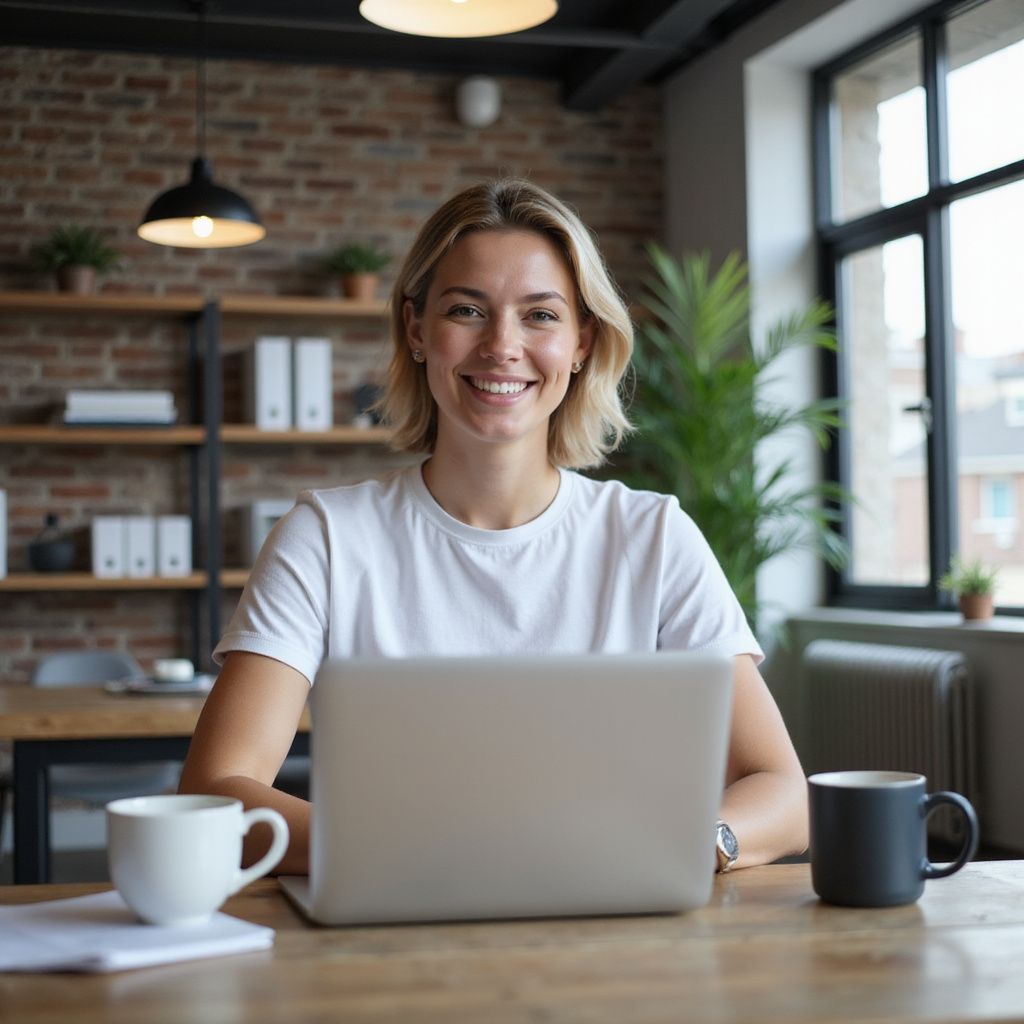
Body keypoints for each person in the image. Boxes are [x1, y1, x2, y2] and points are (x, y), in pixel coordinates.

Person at [179, 178, 808, 875]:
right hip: (390, 929)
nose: (502, 346)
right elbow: (213, 794)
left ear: (581, 342)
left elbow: (783, 792)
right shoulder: (325, 536)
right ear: (417, 330)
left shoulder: (654, 537)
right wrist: (422, 857)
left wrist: (699, 840)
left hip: (614, 926)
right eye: (468, 310)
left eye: (540, 316)